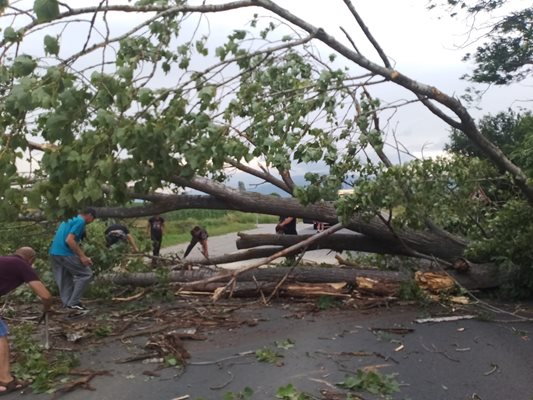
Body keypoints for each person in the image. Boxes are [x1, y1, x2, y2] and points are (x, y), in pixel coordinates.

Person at [0, 247, 52, 395]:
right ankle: (5, 380)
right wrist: (47, 308)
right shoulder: (22, 265)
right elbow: (45, 295)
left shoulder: (6, 261)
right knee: (0, 335)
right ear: (31, 260)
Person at [49, 207, 96, 311]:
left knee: (65, 279)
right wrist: (82, 257)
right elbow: (70, 241)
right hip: (64, 252)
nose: (91, 222)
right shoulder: (80, 221)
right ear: (90, 216)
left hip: (54, 252)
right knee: (85, 274)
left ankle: (68, 306)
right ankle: (74, 303)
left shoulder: (70, 218)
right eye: (92, 220)